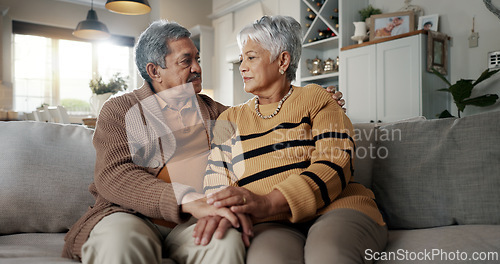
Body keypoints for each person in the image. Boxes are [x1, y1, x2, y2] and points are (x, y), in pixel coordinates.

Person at [62, 19, 346, 264]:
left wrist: (315, 104)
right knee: (122, 243)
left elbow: (266, 120)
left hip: (194, 220)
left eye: (197, 58)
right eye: (186, 61)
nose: (198, 67)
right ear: (154, 71)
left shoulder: (218, 113)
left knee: (226, 243)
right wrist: (187, 199)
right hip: (130, 215)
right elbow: (114, 175)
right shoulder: (119, 111)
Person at [200, 16, 388, 264]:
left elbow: (335, 163)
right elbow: (217, 180)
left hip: (337, 208)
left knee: (328, 255)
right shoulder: (230, 118)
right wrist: (229, 210)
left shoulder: (317, 99)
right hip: (270, 222)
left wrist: (269, 202)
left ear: (283, 60)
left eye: (251, 57)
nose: (242, 66)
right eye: (241, 58)